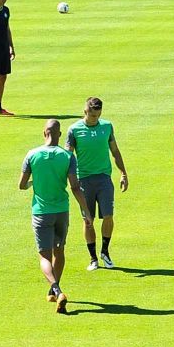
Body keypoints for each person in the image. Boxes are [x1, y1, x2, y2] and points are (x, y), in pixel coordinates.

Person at [20, 118, 83, 312]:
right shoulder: (67, 156)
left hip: (41, 211)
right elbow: (74, 186)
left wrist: (33, 184)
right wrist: (86, 212)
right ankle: (54, 292)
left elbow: (22, 184)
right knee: (60, 250)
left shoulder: (32, 154)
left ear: (44, 132)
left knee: (44, 256)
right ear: (59, 134)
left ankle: (56, 289)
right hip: (61, 211)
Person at [67, 97, 129, 271]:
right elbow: (68, 156)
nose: (95, 119)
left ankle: (105, 252)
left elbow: (115, 151)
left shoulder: (107, 127)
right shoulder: (74, 130)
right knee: (88, 220)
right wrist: (68, 178)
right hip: (84, 180)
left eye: (98, 115)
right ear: (85, 111)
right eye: (93, 115)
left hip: (104, 178)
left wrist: (123, 173)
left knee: (108, 216)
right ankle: (93, 258)